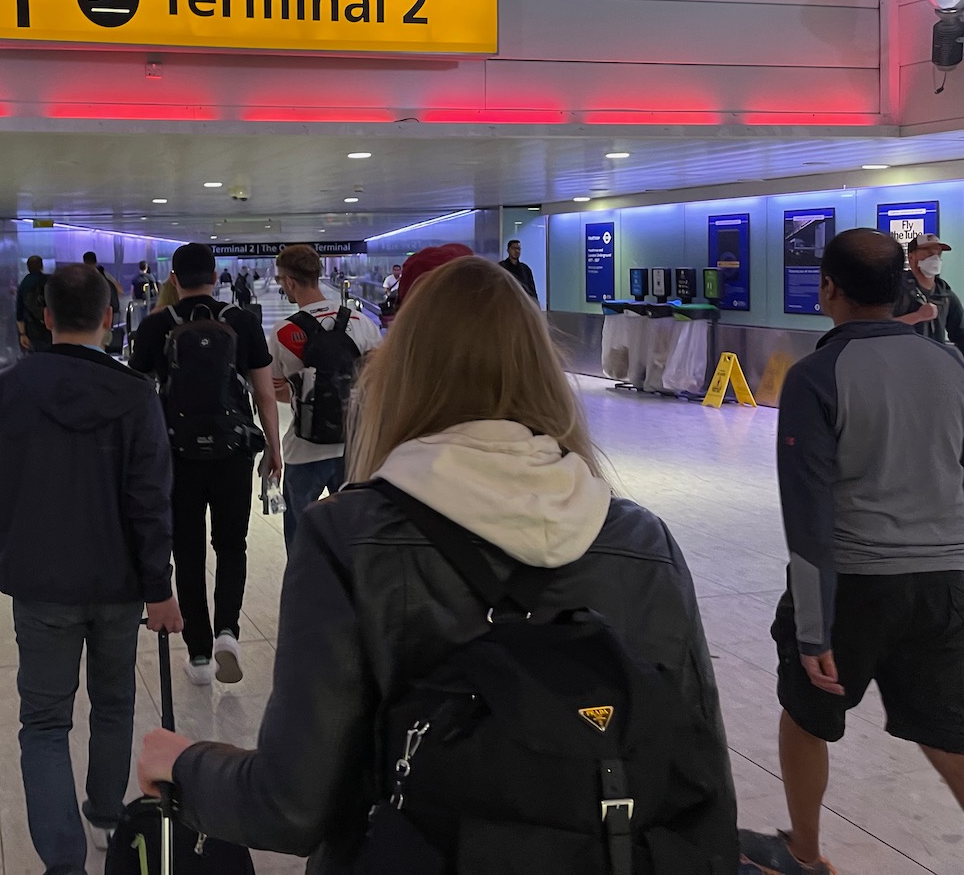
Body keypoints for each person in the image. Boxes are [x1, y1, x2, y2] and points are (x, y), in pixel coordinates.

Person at [136, 256, 736, 872]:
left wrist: (185, 764)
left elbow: (293, 804)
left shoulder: (347, 538)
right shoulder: (642, 543)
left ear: (403, 371)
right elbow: (703, 789)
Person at [740, 229, 964, 875]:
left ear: (829, 288)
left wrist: (813, 630)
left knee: (807, 715)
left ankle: (804, 854)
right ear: (901, 286)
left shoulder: (817, 375)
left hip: (856, 585)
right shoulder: (951, 365)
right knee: (947, 729)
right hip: (944, 582)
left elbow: (808, 513)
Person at [0, 264, 183, 875]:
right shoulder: (137, 395)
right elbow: (150, 499)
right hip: (118, 586)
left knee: (42, 722)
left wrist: (7, 547)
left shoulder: (8, 391)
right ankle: (106, 818)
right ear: (110, 318)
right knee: (114, 703)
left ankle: (63, 863)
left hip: (39, 586)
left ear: (45, 317)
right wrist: (159, 589)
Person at [130, 243, 282, 686]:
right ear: (216, 277)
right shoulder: (242, 322)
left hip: (176, 457)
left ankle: (198, 656)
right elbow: (265, 394)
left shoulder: (156, 325)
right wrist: (273, 447)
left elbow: (140, 400)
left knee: (189, 551)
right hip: (233, 453)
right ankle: (228, 634)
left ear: (174, 280)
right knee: (232, 545)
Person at [269, 243, 382, 546]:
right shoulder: (362, 323)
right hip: (353, 445)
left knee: (300, 535)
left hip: (304, 448)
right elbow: (379, 382)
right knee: (355, 533)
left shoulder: (283, 332)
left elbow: (276, 390)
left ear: (290, 282)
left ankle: (304, 591)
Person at [894, 232, 964, 354]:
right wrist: (918, 316)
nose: (935, 258)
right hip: (900, 363)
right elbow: (879, 327)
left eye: (938, 254)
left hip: (934, 364)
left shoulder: (944, 294)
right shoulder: (895, 290)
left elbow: (960, 334)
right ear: (911, 257)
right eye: (929, 253)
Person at [83, 251, 123, 350]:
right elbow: (119, 289)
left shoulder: (82, 277)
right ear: (96, 261)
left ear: (84, 262)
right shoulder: (104, 274)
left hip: (88, 316)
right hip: (105, 314)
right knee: (103, 341)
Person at [15, 255, 51, 353]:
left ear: (27, 267)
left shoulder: (23, 284)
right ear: (42, 266)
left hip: (31, 327)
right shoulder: (49, 281)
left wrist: (22, 334)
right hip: (50, 326)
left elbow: (19, 312)